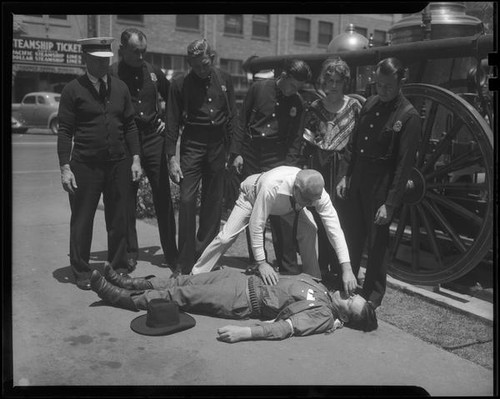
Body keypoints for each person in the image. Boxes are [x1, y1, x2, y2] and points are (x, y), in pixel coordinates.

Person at [89, 264, 378, 343]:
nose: (349, 295)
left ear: (347, 318)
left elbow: (285, 329)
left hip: (241, 300)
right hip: (241, 279)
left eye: (351, 302)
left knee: (182, 296)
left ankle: (120, 298)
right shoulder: (323, 288)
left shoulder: (322, 316)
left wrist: (246, 333)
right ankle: (131, 282)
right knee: (184, 281)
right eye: (354, 294)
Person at [191, 166, 358, 296]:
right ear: (296, 188)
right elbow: (257, 224)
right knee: (226, 238)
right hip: (252, 195)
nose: (309, 204)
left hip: (287, 206)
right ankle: (195, 274)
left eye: (312, 201)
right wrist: (262, 263)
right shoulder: (272, 185)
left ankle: (313, 282)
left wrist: (347, 268)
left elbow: (334, 229)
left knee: (310, 229)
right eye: (306, 200)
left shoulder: (317, 193)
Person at [57, 37, 142, 290]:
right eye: (97, 60)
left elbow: (129, 125)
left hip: (118, 163)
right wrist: (65, 167)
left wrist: (135, 158)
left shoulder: (120, 88)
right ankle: (81, 270)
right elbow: (64, 131)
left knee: (118, 218)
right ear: (86, 59)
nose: (103, 65)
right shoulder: (72, 89)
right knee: (82, 219)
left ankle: (118, 267)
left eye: (106, 60)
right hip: (85, 165)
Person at [336, 57, 421, 308]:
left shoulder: (408, 116)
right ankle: (347, 285)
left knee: (376, 243)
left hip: (382, 186)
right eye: (378, 85)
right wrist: (345, 175)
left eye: (387, 86)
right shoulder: (370, 103)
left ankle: (372, 294)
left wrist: (390, 204)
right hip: (359, 179)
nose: (381, 91)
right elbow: (354, 144)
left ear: (400, 83)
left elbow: (404, 166)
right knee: (352, 234)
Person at [230, 59, 312, 275]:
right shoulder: (258, 89)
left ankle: (287, 265)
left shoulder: (298, 103)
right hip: (252, 153)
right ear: (283, 76)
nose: (294, 91)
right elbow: (241, 121)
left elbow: (296, 139)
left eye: (298, 88)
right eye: (292, 85)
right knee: (254, 208)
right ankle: (257, 260)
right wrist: (236, 153)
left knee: (281, 214)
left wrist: (290, 168)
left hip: (278, 158)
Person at [165, 38, 238, 277]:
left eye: (205, 64)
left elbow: (233, 116)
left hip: (218, 145)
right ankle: (184, 262)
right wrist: (171, 158)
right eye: (195, 66)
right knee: (186, 200)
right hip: (192, 144)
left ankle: (205, 257)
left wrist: (233, 152)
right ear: (190, 64)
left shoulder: (225, 79)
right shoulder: (179, 84)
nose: (201, 70)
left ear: (212, 58)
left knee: (213, 202)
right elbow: (172, 121)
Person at [109, 28, 178, 271]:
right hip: (126, 143)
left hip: (152, 139)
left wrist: (166, 123)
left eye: (143, 52)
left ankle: (172, 253)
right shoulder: (112, 74)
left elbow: (174, 99)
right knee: (126, 200)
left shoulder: (153, 72)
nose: (140, 56)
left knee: (163, 198)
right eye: (135, 52)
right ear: (122, 50)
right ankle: (130, 253)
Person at [301, 57, 362, 282]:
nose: (333, 86)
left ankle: (343, 270)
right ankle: (321, 269)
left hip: (343, 169)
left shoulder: (354, 107)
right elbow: (307, 142)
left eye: (338, 81)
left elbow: (356, 146)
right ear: (323, 82)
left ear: (345, 82)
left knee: (342, 220)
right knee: (318, 217)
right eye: (330, 81)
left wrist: (346, 175)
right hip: (319, 166)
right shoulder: (315, 108)